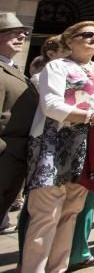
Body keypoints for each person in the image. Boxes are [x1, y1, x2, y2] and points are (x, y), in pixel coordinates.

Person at [21, 21, 94, 273]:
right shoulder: (57, 66)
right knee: (45, 216)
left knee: (70, 214)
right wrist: (93, 117)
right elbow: (51, 105)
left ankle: (57, 269)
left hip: (85, 147)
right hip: (52, 144)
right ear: (70, 39)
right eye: (86, 35)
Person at [0, 14, 38, 234]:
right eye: (11, 33)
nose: (21, 36)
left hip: (16, 153)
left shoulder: (13, 69)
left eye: (22, 33)